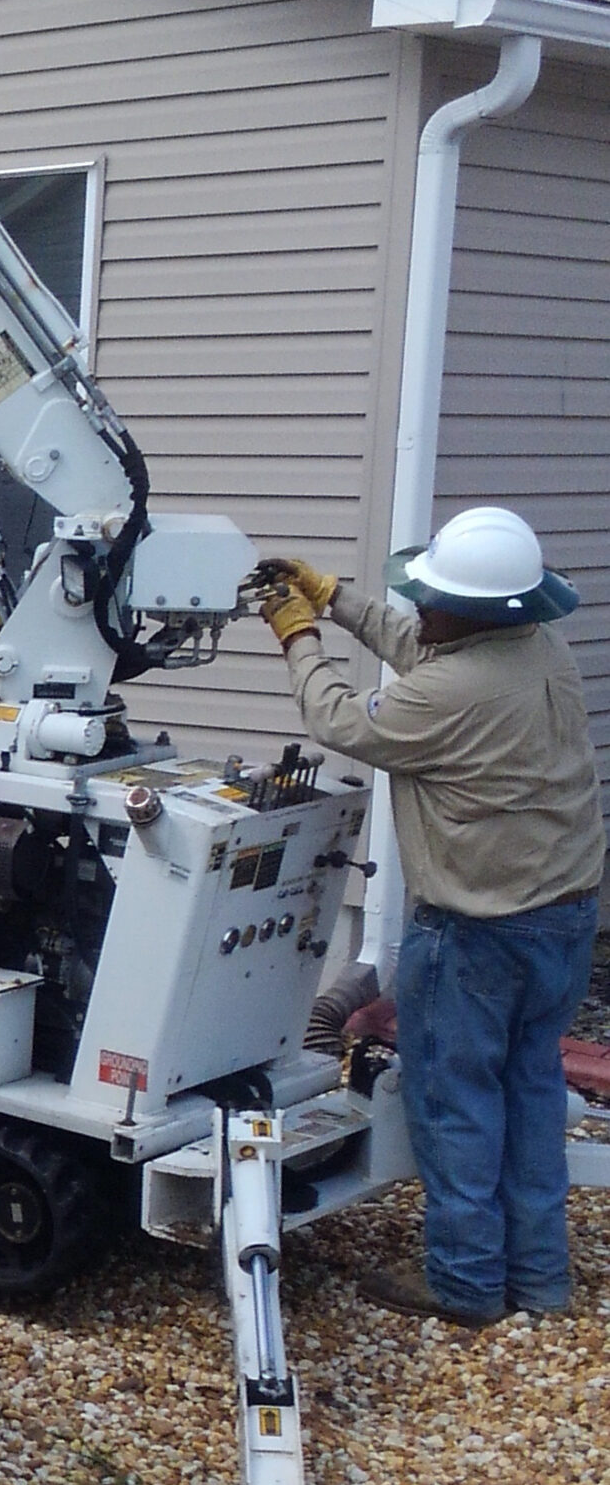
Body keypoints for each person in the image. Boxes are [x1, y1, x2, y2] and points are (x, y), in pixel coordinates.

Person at [257, 507, 605, 1327]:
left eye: (431, 595)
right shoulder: (534, 649)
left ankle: (465, 1284)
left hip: (476, 932)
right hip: (564, 918)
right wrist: (333, 599)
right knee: (529, 1090)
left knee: (456, 1106)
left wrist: (296, 636)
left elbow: (339, 721)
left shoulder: (448, 695)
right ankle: (540, 1281)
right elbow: (426, 650)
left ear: (470, 608)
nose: (416, 606)